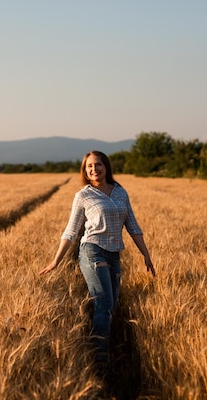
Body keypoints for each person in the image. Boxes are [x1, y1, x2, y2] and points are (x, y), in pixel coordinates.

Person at [39, 150, 156, 368]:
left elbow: (132, 225)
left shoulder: (120, 192)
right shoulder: (84, 195)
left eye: (98, 164)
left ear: (106, 166)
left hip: (115, 254)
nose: (94, 169)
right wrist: (56, 260)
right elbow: (71, 231)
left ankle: (102, 348)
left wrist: (146, 254)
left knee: (110, 306)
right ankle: (100, 358)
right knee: (104, 304)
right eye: (89, 166)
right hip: (93, 250)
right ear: (85, 171)